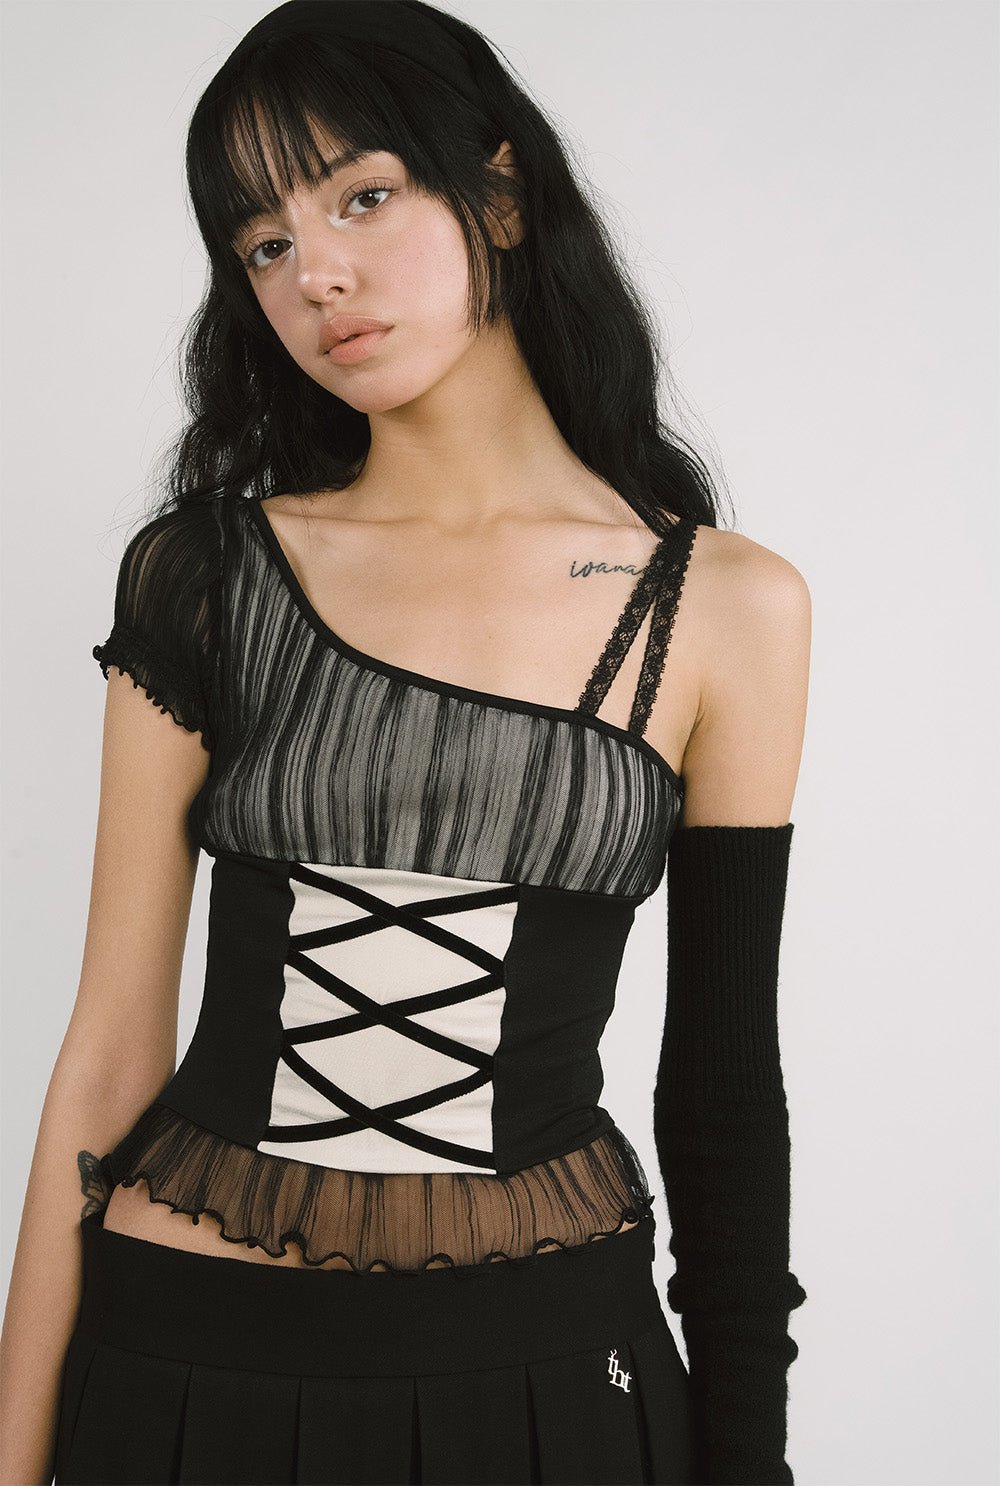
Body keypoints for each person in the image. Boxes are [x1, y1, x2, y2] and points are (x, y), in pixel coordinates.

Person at [0, 3, 811, 1482]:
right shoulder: (204, 574)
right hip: (180, 1367)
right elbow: (110, 1049)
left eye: (361, 196)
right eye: (263, 242)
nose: (315, 273)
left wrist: (748, 1460)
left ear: (499, 194)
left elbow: (722, 1093)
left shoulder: (725, 608)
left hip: (546, 1381)